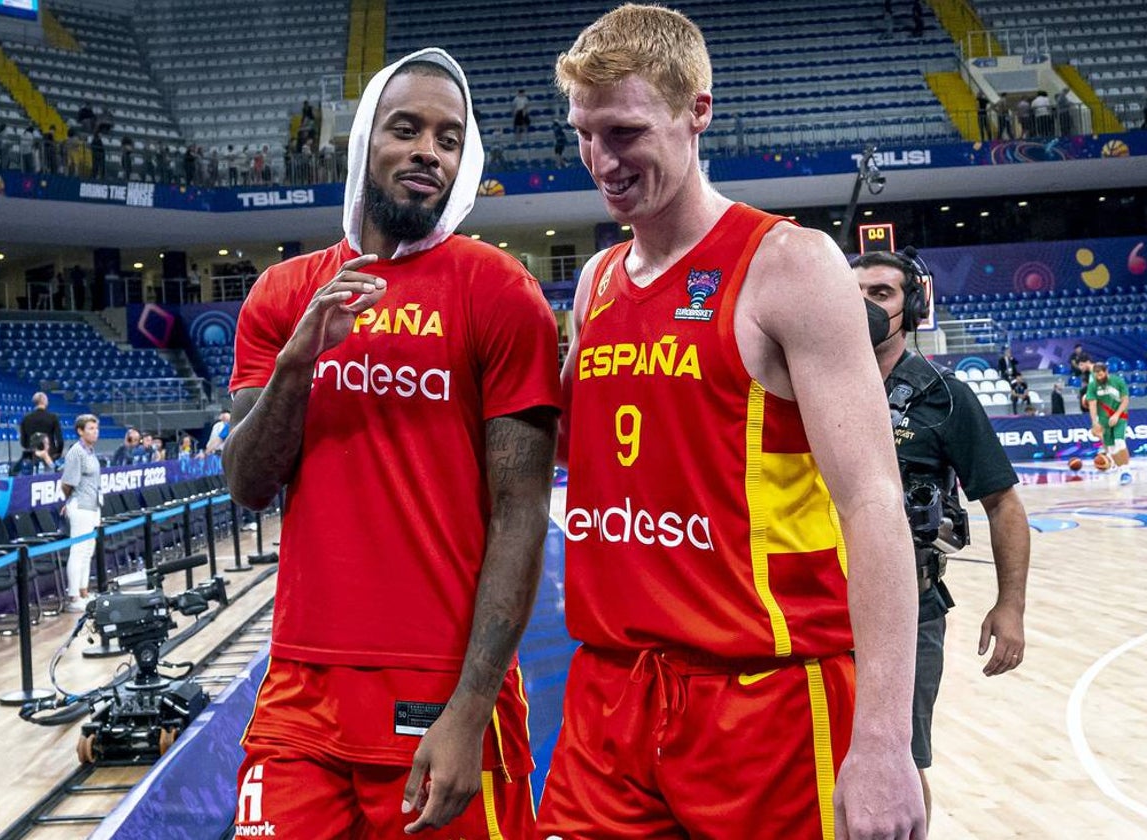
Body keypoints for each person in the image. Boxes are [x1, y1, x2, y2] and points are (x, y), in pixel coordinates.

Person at [538, 7, 925, 839]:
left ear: (697, 110)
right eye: (584, 133)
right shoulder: (597, 282)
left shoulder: (791, 265)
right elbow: (583, 448)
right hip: (611, 698)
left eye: (626, 130)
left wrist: (886, 742)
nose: (602, 159)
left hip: (763, 701)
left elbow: (872, 502)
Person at [225, 48, 561, 838]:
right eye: (406, 129)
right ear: (362, 145)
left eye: (448, 139)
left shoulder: (501, 291)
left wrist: (471, 707)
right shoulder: (283, 294)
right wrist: (298, 364)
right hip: (300, 693)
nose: (427, 152)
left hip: (439, 692)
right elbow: (247, 481)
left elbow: (522, 514)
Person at [854, 249, 1029, 826]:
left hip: (909, 610)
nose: (865, 306)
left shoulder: (946, 397)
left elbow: (1003, 504)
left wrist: (1010, 606)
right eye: (854, 293)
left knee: (897, 761)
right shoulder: (802, 382)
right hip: (812, 607)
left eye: (881, 294)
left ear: (914, 306)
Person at [60, 414, 101, 612]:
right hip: (81, 507)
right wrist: (69, 501)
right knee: (78, 552)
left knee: (87, 552)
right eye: (91, 428)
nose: (95, 432)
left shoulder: (91, 452)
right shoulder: (75, 453)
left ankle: (84, 592)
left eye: (96, 428)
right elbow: (67, 483)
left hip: (93, 506)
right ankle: (73, 595)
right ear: (80, 431)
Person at [1087, 361, 1133, 484]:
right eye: (1096, 375)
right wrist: (1095, 422)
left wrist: (1117, 415)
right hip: (1104, 420)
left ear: (1106, 372)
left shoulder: (1118, 382)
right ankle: (1122, 470)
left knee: (1120, 442)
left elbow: (1125, 400)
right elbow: (1092, 404)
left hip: (1120, 416)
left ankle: (1126, 472)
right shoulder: (1092, 386)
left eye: (1101, 374)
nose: (1099, 377)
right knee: (1111, 449)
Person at [19, 392, 64, 464]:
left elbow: (23, 442)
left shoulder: (26, 418)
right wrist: (58, 453)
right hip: (50, 454)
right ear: (45, 401)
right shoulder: (53, 417)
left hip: (32, 455)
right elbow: (60, 440)